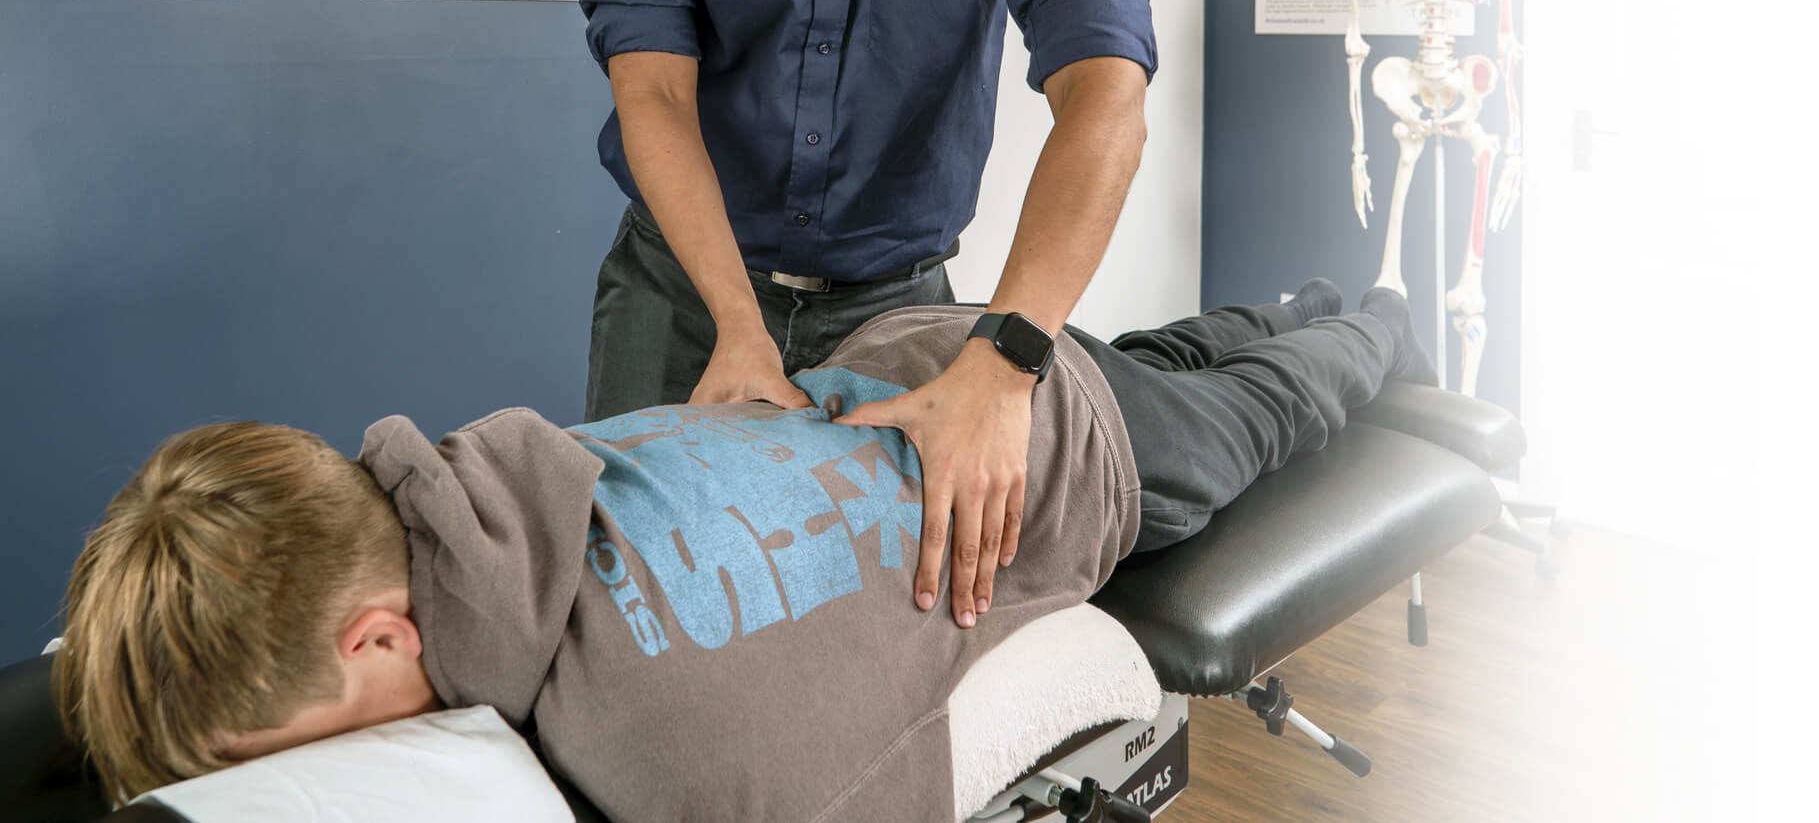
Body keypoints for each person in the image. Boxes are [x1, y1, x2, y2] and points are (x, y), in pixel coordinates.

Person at [55, 281, 1436, 819]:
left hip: (1073, 452)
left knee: (1285, 393)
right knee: (1178, 347)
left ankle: (1365, 310)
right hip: (916, 352)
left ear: (379, 637)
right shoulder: (483, 474)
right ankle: (1274, 308)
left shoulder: (655, 730)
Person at [574, 0, 1157, 623]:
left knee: (881, 613)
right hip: (684, 282)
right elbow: (652, 86)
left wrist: (1009, 353)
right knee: (636, 595)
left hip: (896, 295)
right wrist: (736, 324)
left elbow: (1103, 92)